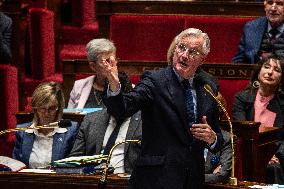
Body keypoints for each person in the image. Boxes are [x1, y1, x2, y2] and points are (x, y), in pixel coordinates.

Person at [102, 28, 224, 189]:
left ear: (202, 59)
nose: (184, 55)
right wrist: (114, 84)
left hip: (192, 180)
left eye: (193, 51)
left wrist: (212, 138)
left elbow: (218, 136)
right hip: (156, 179)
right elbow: (123, 108)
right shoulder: (155, 81)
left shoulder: (208, 85)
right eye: (181, 47)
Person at [69, 74, 142, 174]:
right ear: (106, 98)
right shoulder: (91, 120)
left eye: (121, 101)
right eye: (114, 100)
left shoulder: (145, 122)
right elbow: (74, 160)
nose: (118, 106)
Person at [232, 55, 284, 183]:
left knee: (274, 168)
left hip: (276, 157)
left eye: (276, 70)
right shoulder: (242, 98)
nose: (270, 72)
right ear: (258, 72)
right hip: (247, 152)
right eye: (266, 67)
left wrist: (276, 155)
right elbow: (242, 132)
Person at [13, 82, 79, 168]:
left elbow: (74, 166)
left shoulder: (71, 131)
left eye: (51, 108)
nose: (46, 113)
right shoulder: (22, 131)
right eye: (42, 108)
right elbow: (16, 167)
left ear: (58, 108)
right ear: (35, 108)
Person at [68, 38, 128, 109]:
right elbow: (70, 117)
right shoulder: (79, 86)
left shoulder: (127, 88)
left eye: (113, 60)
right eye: (107, 61)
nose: (112, 65)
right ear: (93, 66)